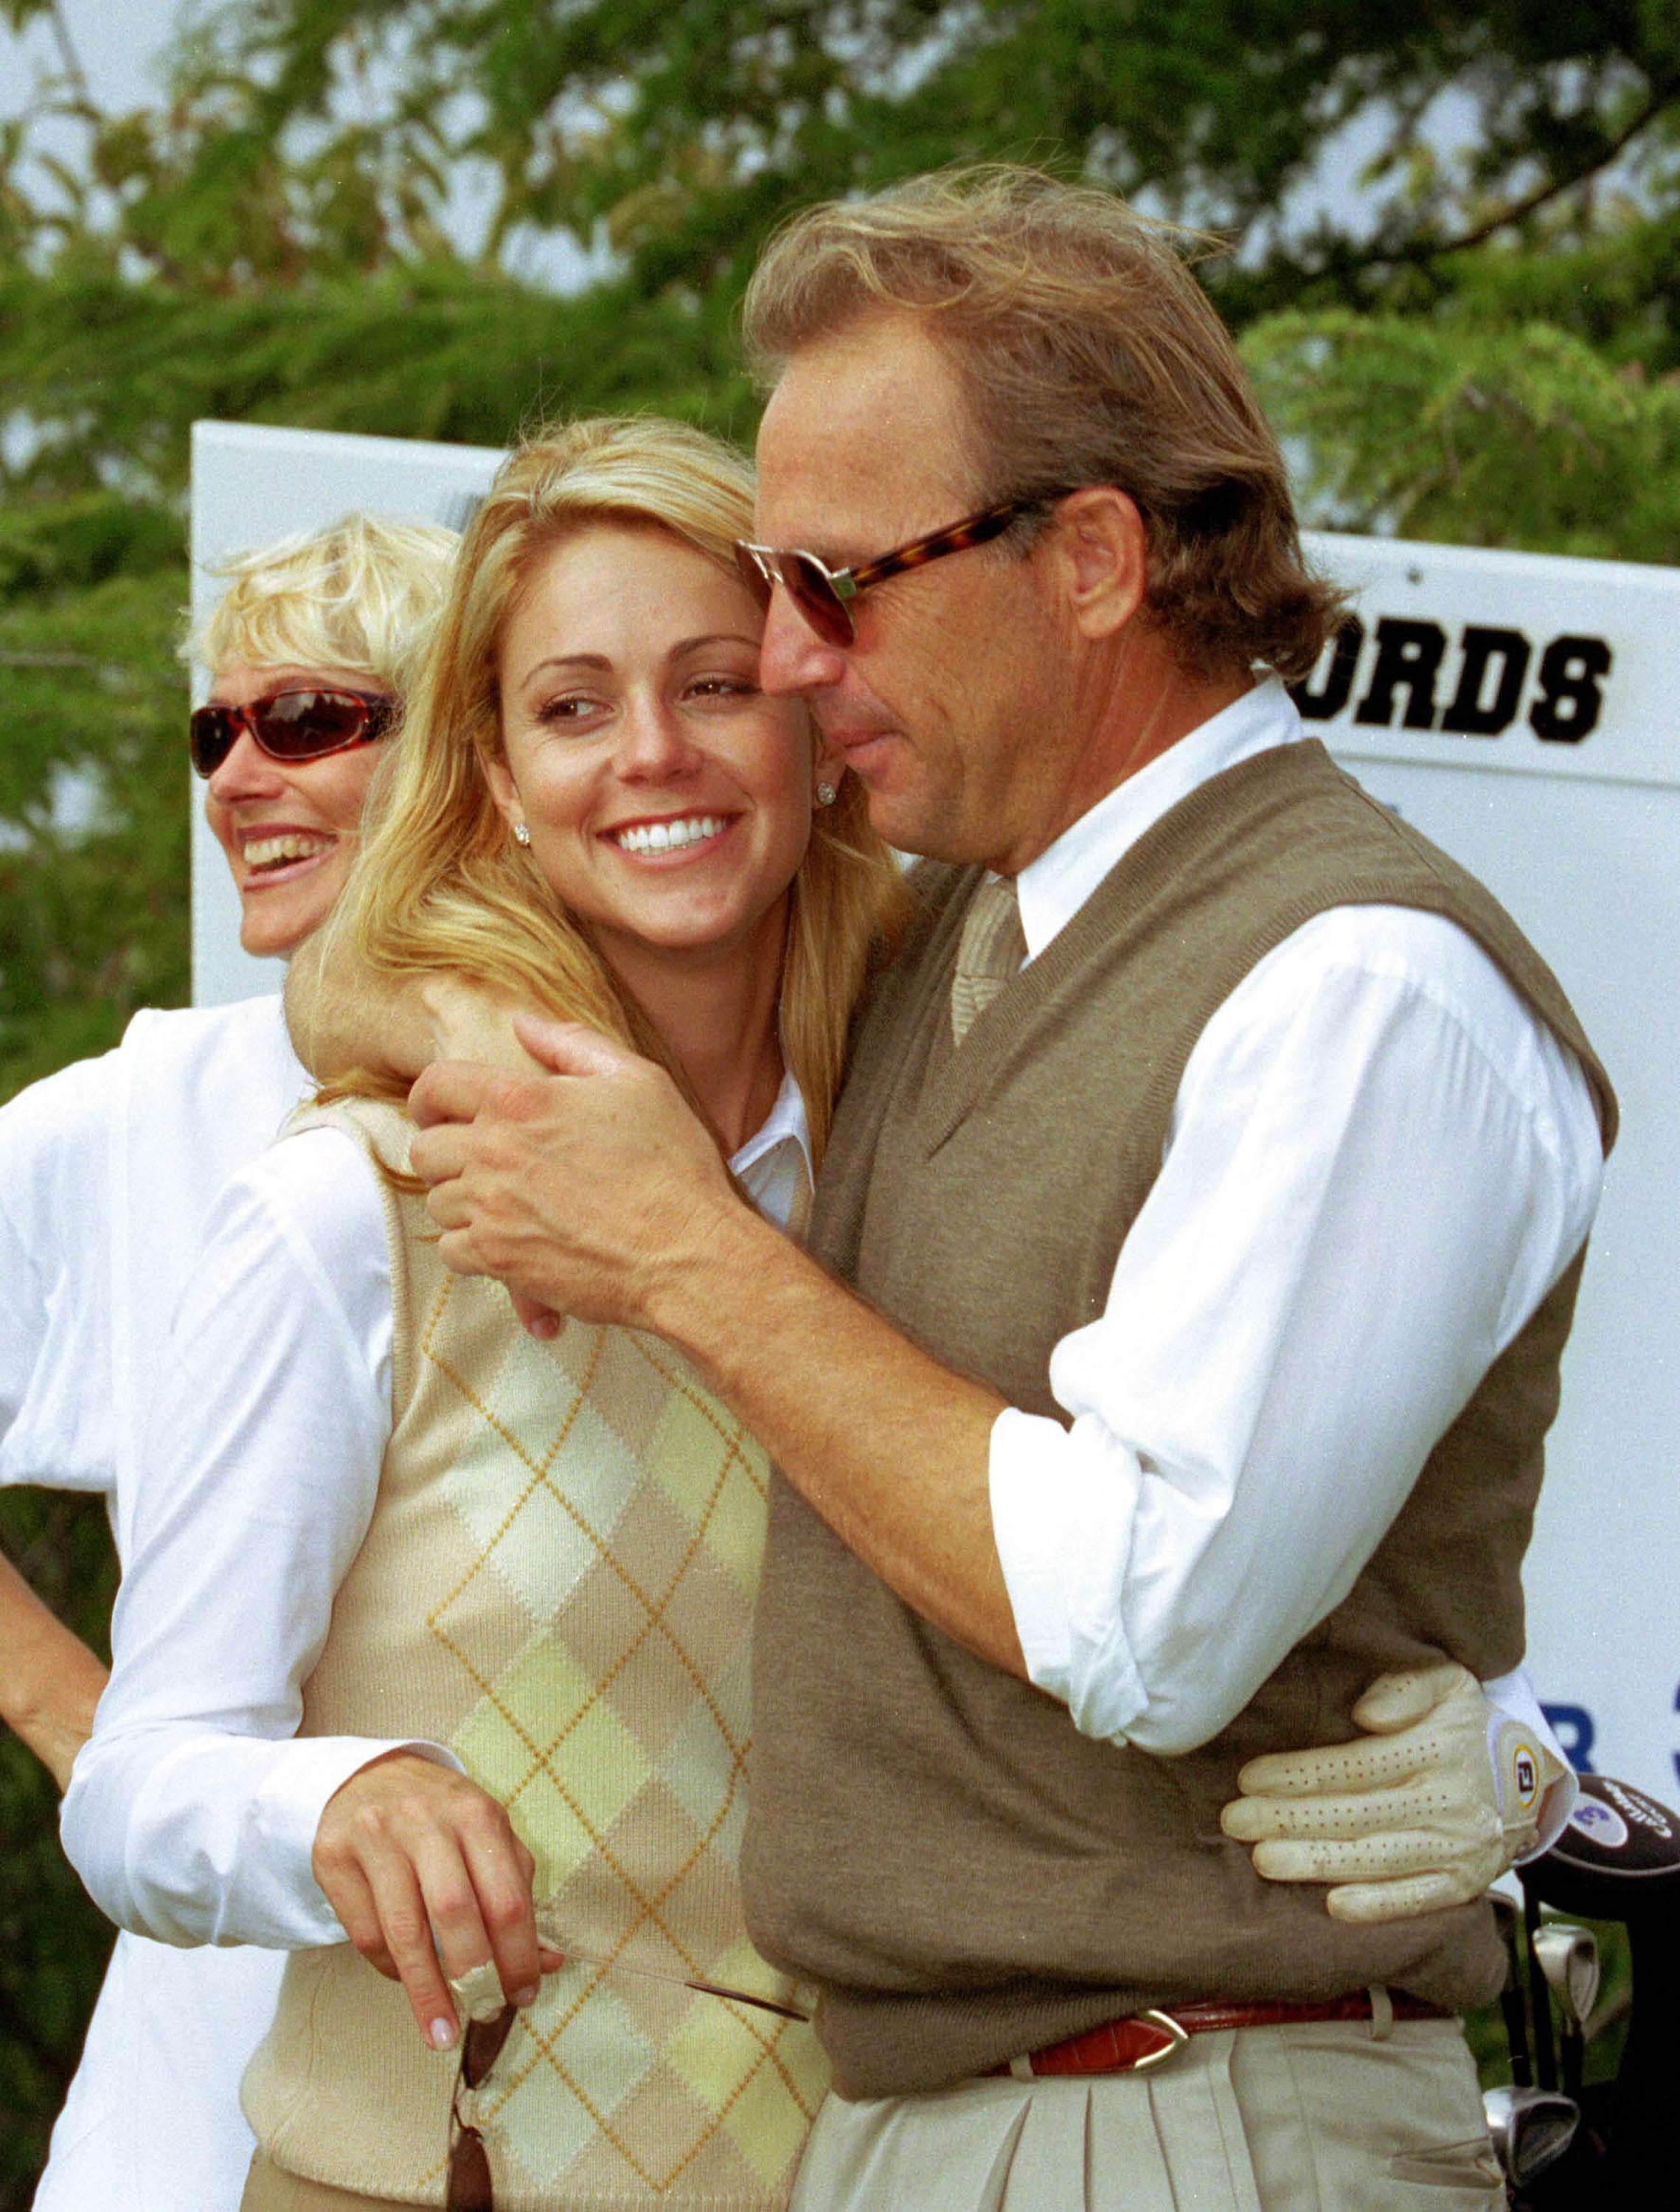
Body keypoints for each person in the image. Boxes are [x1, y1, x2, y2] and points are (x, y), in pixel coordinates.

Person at [386, 170, 1613, 2208]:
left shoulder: (1359, 984)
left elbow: (1144, 1614)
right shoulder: (955, 919)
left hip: (1183, 2118)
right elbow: (388, 907)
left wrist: (687, 1254)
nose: (789, 660)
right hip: (951, 2122)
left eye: (837, 584)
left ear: (1093, 559)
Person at [63, 416, 909, 2210]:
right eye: (572, 706)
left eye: (713, 684)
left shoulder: (917, 1188)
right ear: (501, 781)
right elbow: (140, 1791)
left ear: (815, 734)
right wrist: (332, 1802)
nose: (652, 751)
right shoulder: (348, 1208)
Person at [1, 512, 456, 2209]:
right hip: (206, 2078)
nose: (239, 776)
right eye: (215, 732)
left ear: (463, 748)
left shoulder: (659, 1099)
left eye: (307, 720)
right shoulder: (144, 1111)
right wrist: (83, 1724)